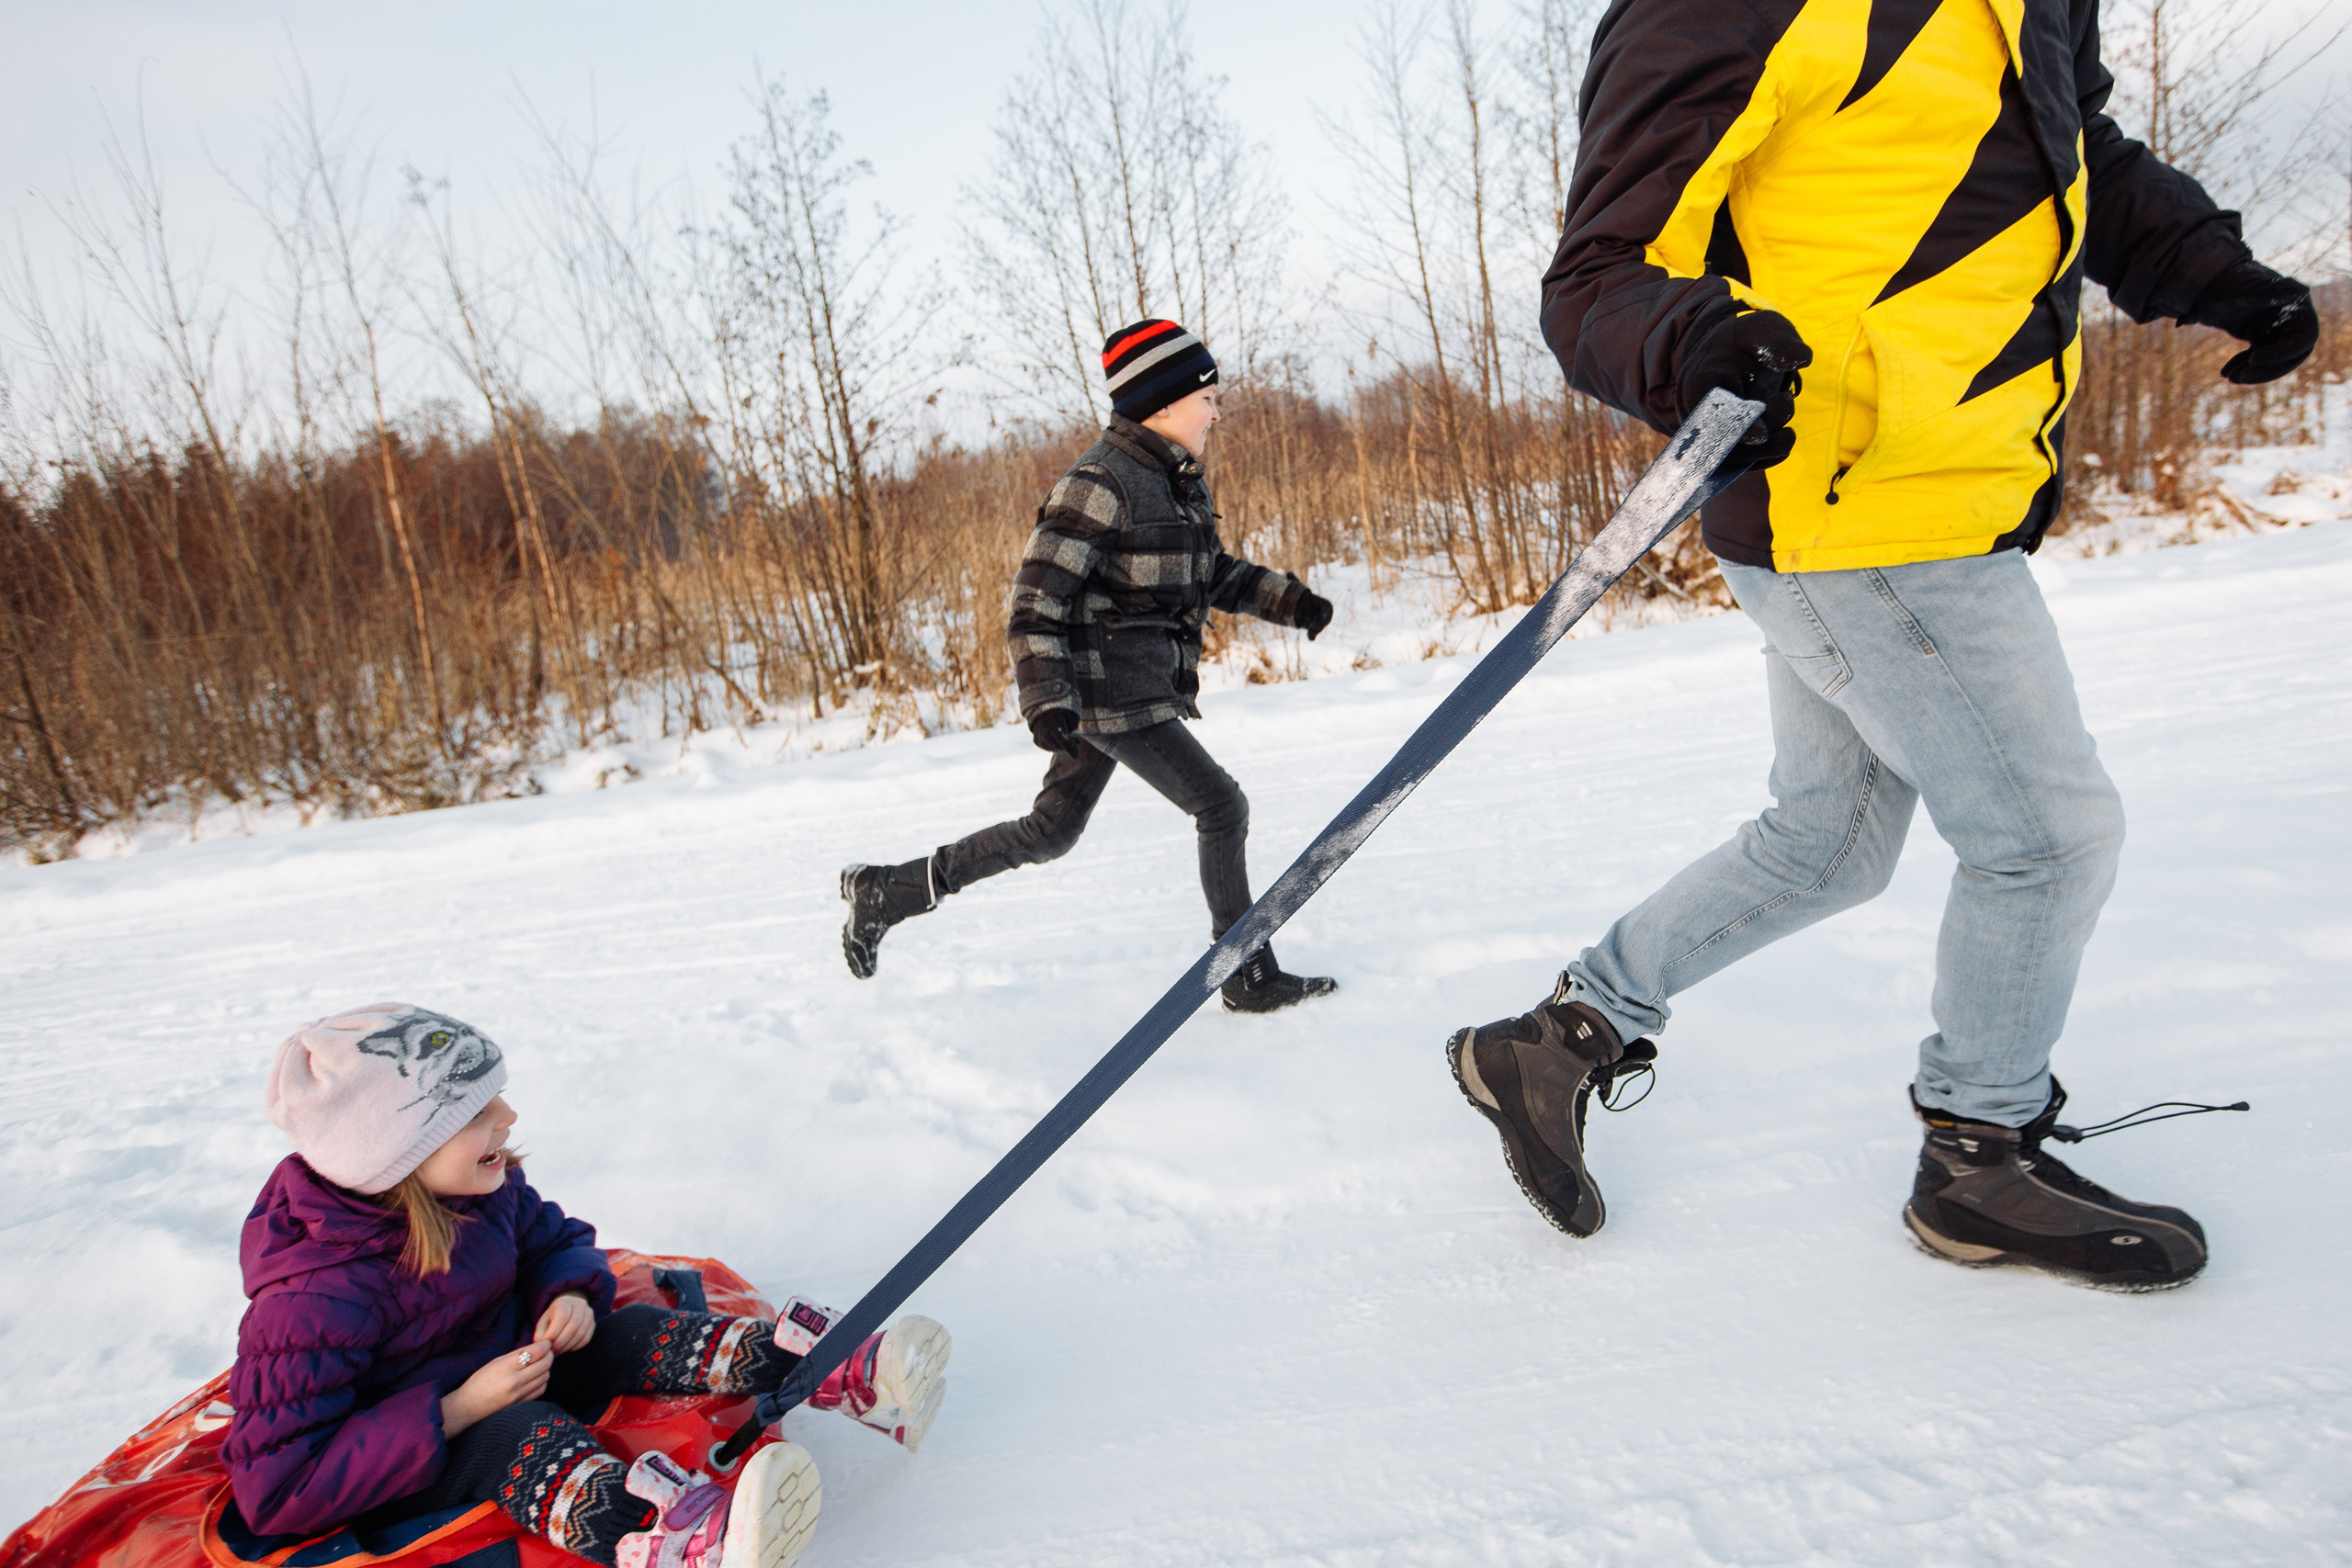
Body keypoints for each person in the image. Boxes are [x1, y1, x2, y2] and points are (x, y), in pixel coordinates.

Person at [1447, 0, 2315, 1289]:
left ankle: (1559, 1038)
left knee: (1828, 840)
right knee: (2047, 839)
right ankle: (1978, 1155)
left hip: (1949, 484)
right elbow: (1599, 274)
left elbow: (2075, 152)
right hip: (1858, 502)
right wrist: (1698, 343)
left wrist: (2212, 271)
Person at [224, 1003, 953, 1568]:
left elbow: (555, 1239)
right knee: (516, 1435)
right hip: (418, 1452)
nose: (509, 1118)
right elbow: (278, 1487)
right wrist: (459, 1407)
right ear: (398, 1154)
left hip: (512, 1362)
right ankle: (666, 1539)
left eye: (497, 1097)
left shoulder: (481, 1190)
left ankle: (837, 1371)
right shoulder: (311, 1304)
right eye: (476, 1112)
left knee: (621, 1331)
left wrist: (566, 1294)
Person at [841, 319, 1341, 1013]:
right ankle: (1244, 972)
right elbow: (1035, 601)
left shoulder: (1174, 481)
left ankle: (889, 890)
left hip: (1117, 693)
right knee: (1221, 806)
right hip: (1110, 696)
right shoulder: (1099, 484)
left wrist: (1289, 601)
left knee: (1051, 831)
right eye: (1207, 398)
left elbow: (1208, 573)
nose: (1216, 412)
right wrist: (1047, 696)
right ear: (1162, 403)